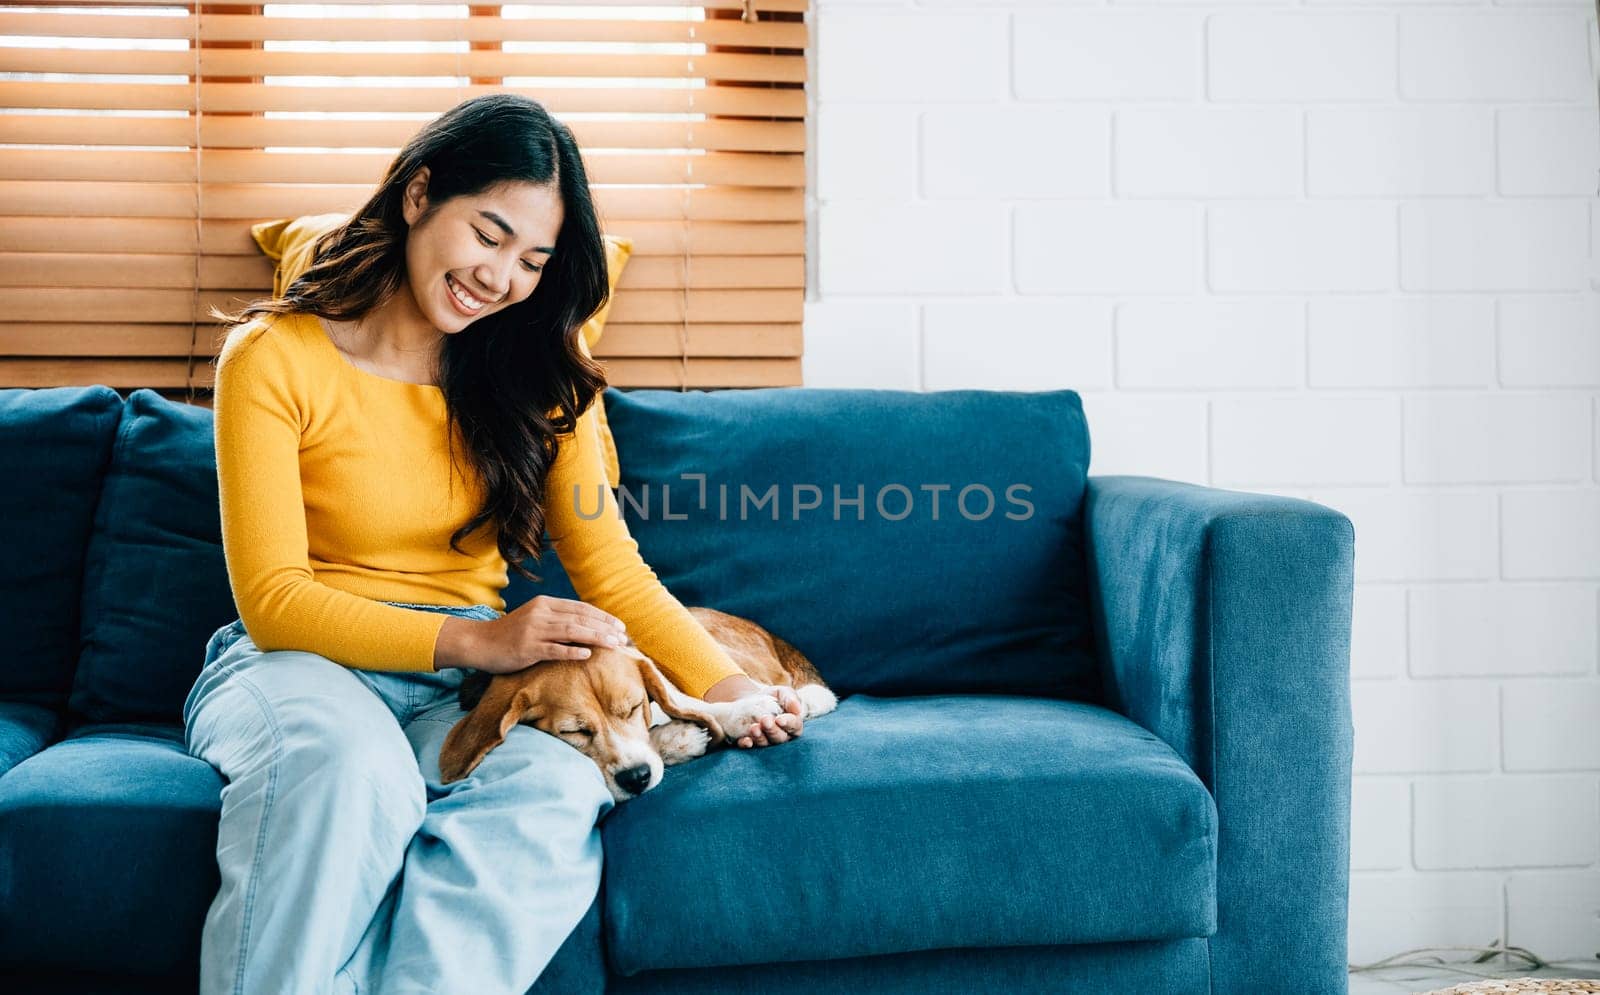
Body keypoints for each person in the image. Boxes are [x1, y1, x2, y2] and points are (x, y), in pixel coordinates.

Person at [183, 92, 804, 995]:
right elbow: (275, 602)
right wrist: (483, 638)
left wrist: (734, 690)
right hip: (297, 665)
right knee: (350, 772)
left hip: (468, 687)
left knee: (556, 787)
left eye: (533, 261)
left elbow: (612, 571)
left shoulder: (542, 376)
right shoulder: (273, 356)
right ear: (419, 193)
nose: (501, 276)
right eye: (488, 233)